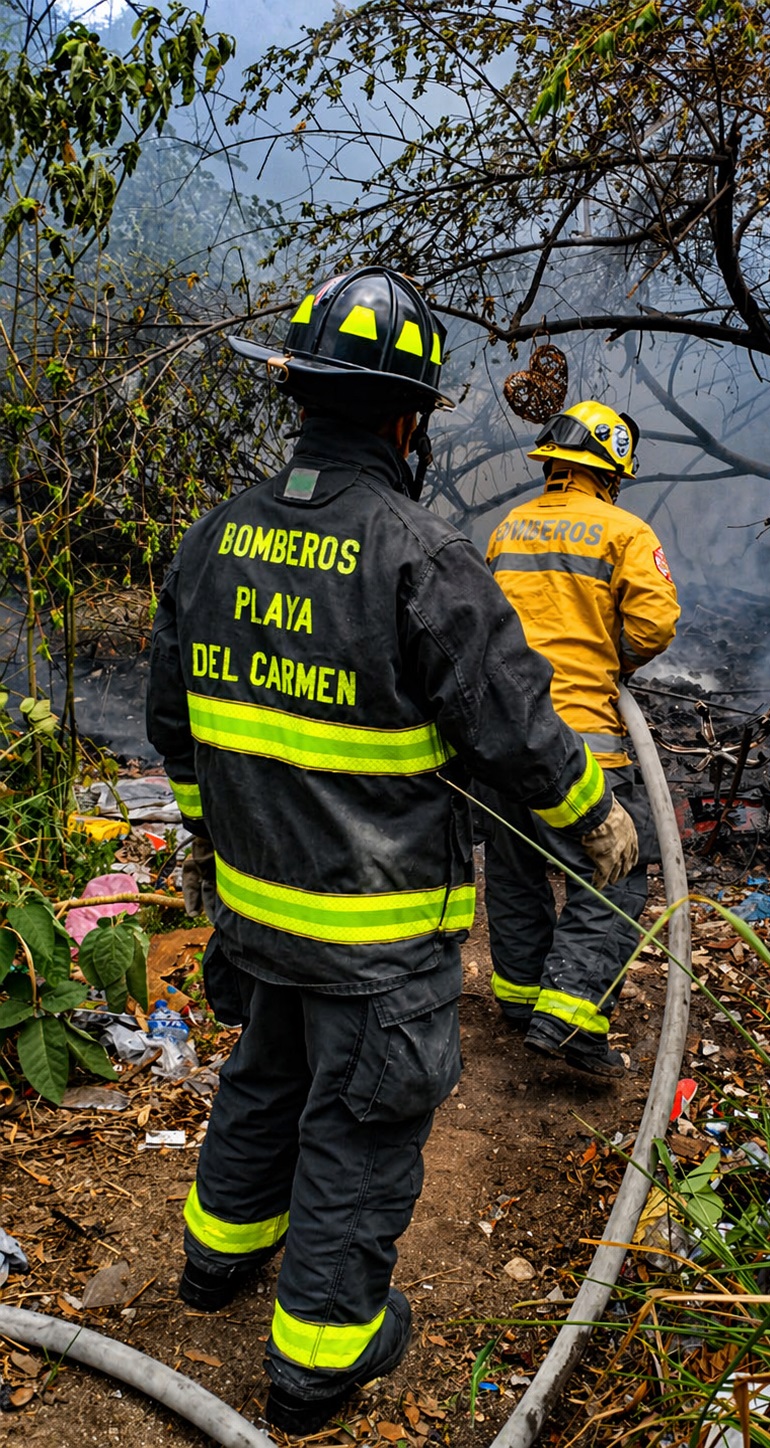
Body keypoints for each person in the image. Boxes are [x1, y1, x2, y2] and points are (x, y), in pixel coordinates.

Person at [145, 270, 638, 1436]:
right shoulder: (423, 554)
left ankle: (215, 1263)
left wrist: (209, 843)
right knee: (360, 1130)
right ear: (410, 418)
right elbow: (518, 727)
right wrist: (593, 821)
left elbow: (175, 726)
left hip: (255, 914)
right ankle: (322, 1353)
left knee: (263, 1079)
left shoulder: (215, 537)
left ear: (302, 397)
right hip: (376, 937)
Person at [482, 399, 680, 1077]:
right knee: (616, 875)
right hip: (579, 739)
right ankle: (569, 1020)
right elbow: (653, 626)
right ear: (610, 469)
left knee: (514, 872)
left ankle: (520, 1001)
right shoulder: (623, 531)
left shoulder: (508, 529)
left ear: (554, 462)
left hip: (499, 734)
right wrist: (610, 660)